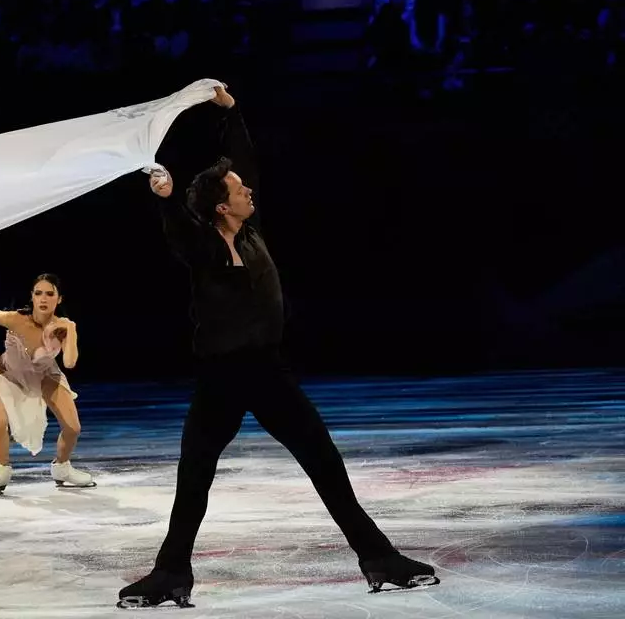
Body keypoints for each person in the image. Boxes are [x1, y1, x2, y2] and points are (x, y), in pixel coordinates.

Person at [117, 83, 438, 608]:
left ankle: (379, 557)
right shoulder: (203, 246)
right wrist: (167, 198)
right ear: (222, 207)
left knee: (325, 464)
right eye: (239, 190)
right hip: (221, 376)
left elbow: (245, 158)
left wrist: (231, 112)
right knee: (194, 479)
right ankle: (170, 572)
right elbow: (178, 231)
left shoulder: (252, 233)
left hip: (267, 372)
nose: (249, 192)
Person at [0, 274, 96, 497]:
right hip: (11, 375)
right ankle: (1, 471)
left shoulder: (61, 328)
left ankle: (62, 468)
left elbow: (69, 362)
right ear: (32, 296)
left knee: (73, 428)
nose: (43, 298)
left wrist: (72, 330)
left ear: (59, 299)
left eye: (50, 293)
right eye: (38, 293)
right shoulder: (17, 319)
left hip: (45, 374)